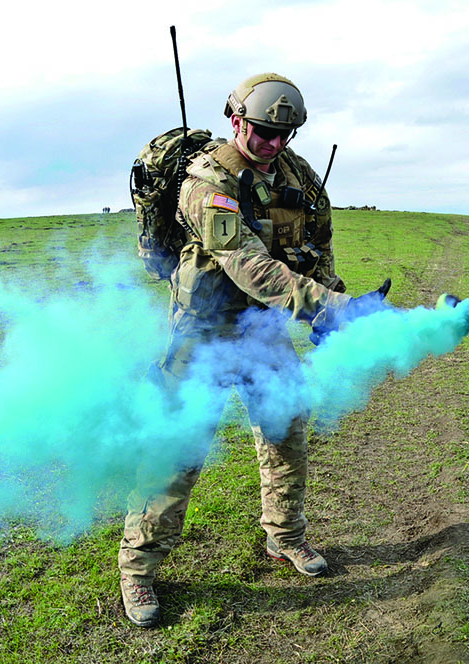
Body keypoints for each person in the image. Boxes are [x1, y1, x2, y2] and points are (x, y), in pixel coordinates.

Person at [118, 73, 387, 628]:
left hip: (265, 331)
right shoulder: (206, 179)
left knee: (287, 430)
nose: (273, 144)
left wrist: (336, 302)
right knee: (177, 449)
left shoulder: (300, 176)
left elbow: (317, 247)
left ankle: (285, 537)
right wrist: (325, 307)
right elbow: (247, 263)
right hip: (205, 333)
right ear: (237, 119)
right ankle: (138, 569)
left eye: (285, 134)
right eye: (264, 131)